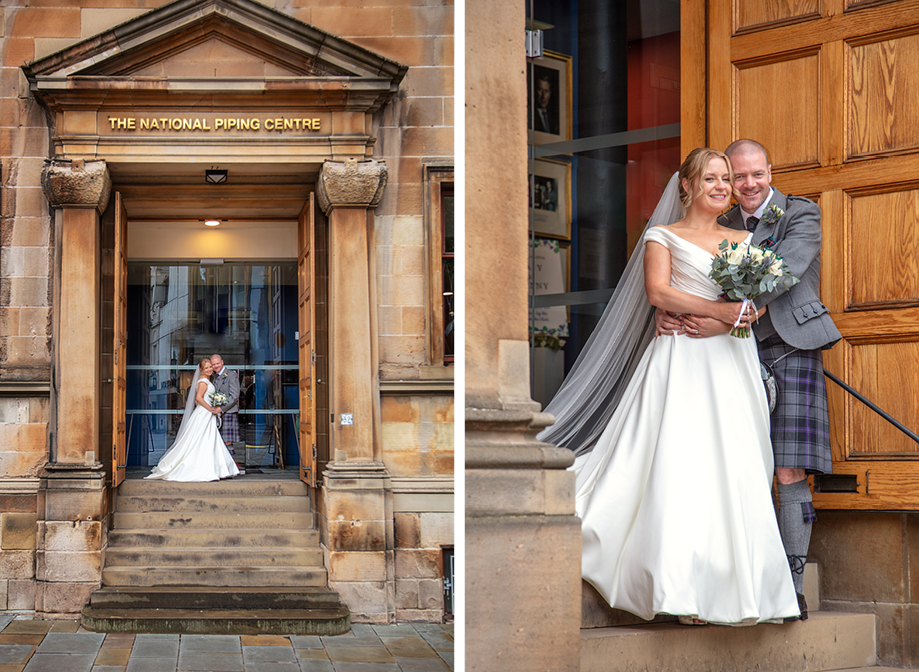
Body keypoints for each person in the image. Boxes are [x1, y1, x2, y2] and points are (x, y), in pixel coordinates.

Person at [541, 148, 800, 625]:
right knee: (683, 461)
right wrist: (718, 311)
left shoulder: (742, 238)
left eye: (726, 179)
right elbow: (658, 292)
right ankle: (682, 585)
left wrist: (729, 321)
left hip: (731, 359)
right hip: (681, 358)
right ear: (687, 185)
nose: (722, 186)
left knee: (738, 461)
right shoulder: (662, 235)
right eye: (711, 179)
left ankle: (737, 586)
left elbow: (754, 305)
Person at [658, 139, 841, 621]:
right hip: (733, 357)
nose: (747, 184)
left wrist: (726, 319)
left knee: (789, 470)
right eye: (737, 177)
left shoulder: (799, 214)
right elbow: (687, 279)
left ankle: (792, 586)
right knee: (740, 466)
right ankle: (747, 580)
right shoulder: (722, 223)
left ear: (770, 171)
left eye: (755, 174)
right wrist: (667, 313)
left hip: (792, 349)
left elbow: (783, 272)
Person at [146, 358, 240, 482]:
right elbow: (199, 398)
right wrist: (211, 409)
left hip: (206, 413)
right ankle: (206, 468)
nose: (210, 369)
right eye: (206, 368)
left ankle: (216, 468)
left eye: (210, 367)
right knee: (199, 439)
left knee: (208, 439)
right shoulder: (203, 381)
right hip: (204, 412)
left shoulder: (208, 379)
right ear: (201, 369)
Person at [210, 354, 241, 458]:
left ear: (222, 362)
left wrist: (221, 409)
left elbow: (235, 396)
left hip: (229, 413)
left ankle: (230, 466)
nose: (216, 366)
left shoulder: (232, 375)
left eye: (217, 363)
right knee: (219, 441)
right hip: (218, 414)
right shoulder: (215, 377)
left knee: (227, 441)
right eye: (213, 364)